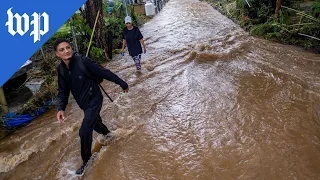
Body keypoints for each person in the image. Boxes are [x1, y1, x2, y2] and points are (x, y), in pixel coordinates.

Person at [54, 38, 129, 176]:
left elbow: (104, 72)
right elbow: (63, 91)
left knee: (84, 131)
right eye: (62, 50)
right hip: (83, 104)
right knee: (95, 124)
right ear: (57, 54)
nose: (66, 51)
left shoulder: (83, 61)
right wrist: (61, 108)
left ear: (71, 48)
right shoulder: (61, 70)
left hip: (95, 99)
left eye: (68, 47)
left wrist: (122, 83)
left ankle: (86, 162)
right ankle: (109, 135)